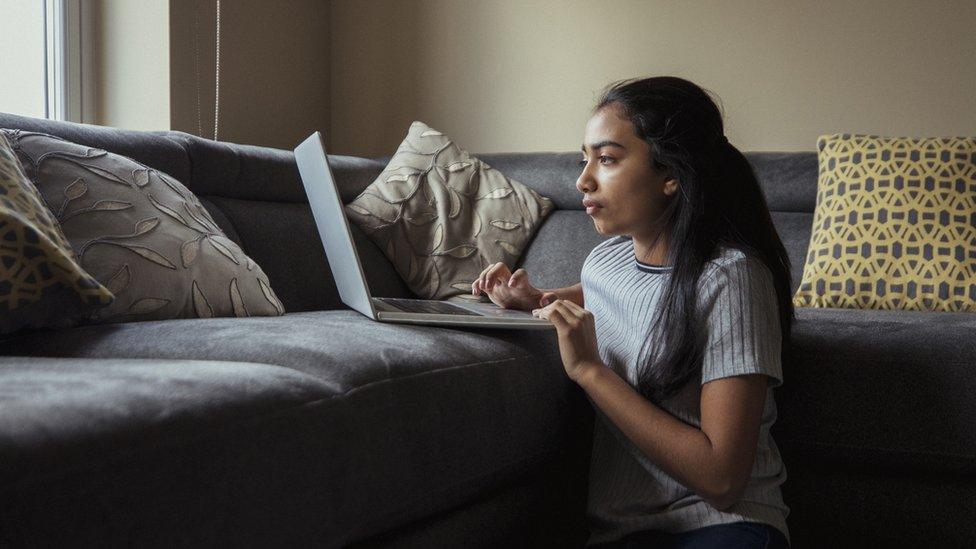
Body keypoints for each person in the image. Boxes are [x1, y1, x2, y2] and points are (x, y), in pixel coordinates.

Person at [471, 76, 794, 549]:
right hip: (624, 533)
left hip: (722, 526)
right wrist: (527, 298)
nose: (582, 180)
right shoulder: (605, 262)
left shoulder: (731, 278)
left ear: (672, 175)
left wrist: (589, 371)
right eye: (585, 160)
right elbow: (607, 296)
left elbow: (723, 479)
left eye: (607, 159)